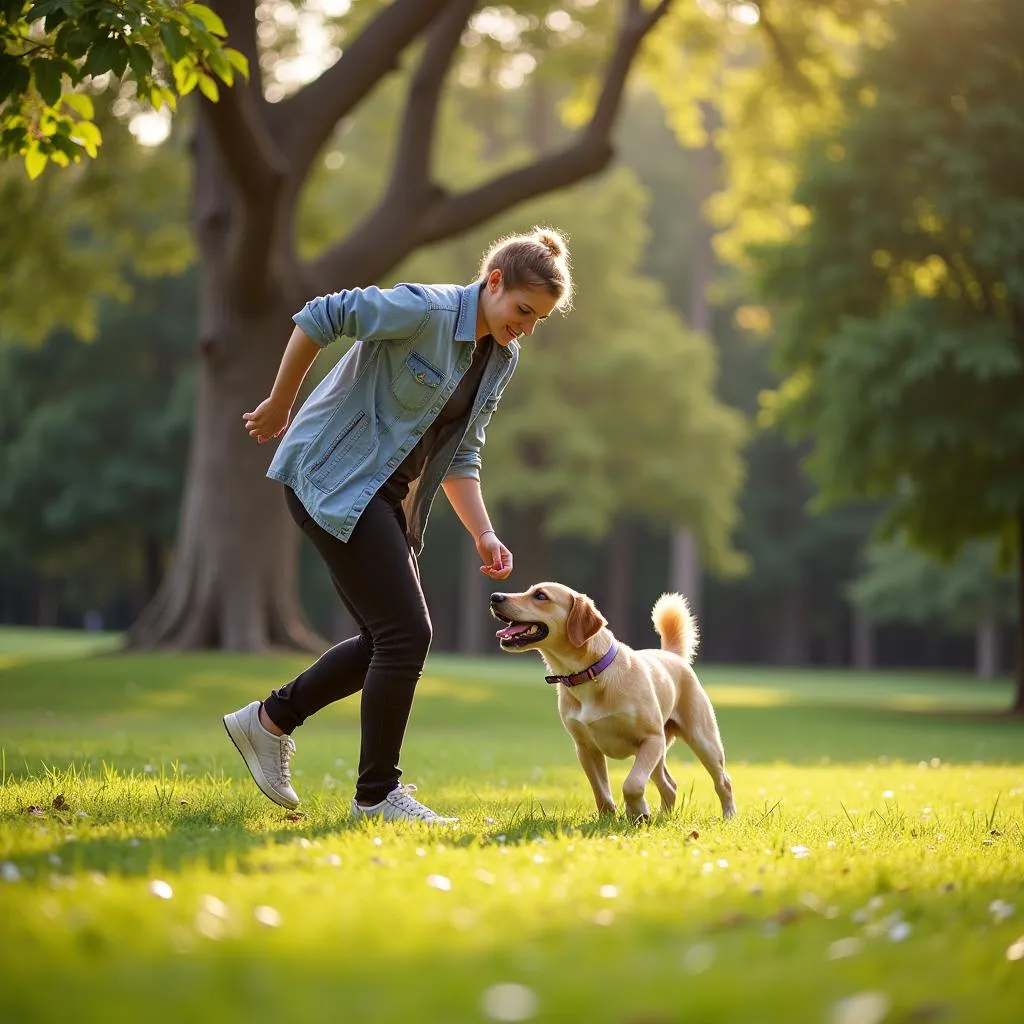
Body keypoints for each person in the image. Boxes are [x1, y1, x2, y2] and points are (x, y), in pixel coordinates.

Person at [223, 227, 574, 824]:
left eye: (537, 319)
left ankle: (268, 722)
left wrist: (483, 533)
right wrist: (281, 402)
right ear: (493, 282)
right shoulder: (425, 309)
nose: (526, 327)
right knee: (407, 634)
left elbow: (462, 452)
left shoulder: (500, 358)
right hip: (332, 481)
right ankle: (376, 796)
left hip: (387, 498)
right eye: (522, 310)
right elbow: (319, 316)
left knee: (388, 640)